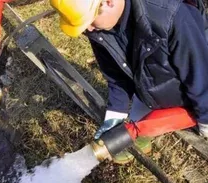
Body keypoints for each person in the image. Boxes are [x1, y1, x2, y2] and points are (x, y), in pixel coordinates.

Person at [50, 0, 208, 164]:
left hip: (198, 71)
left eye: (88, 22)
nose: (88, 29)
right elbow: (115, 74)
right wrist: (115, 113)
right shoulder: (98, 29)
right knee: (137, 127)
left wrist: (205, 116)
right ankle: (145, 135)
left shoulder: (170, 16)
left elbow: (199, 72)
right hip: (153, 84)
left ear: (108, 2)